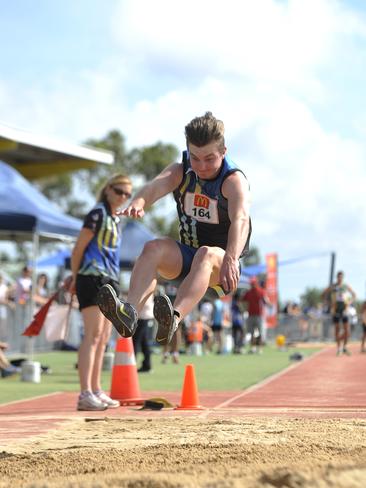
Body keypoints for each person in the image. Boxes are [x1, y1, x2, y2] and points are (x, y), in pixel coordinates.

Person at [96, 112, 251, 348]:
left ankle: (174, 318)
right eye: (195, 157)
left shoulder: (233, 181)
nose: (201, 166)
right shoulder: (181, 171)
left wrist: (231, 257)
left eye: (209, 159)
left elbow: (240, 218)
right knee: (153, 248)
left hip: (221, 269)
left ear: (223, 152)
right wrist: (139, 203)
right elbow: (155, 187)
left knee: (206, 254)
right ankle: (129, 312)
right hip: (187, 261)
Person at [70, 173, 132, 411]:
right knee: (93, 335)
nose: (123, 197)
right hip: (92, 276)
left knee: (105, 337)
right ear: (108, 189)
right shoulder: (97, 214)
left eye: (127, 194)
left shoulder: (116, 219)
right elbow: (78, 249)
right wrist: (75, 278)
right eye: (119, 192)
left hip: (111, 278)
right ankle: (85, 392)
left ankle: (96, 389)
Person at [322, 271, 356, 356]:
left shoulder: (345, 286)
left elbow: (354, 295)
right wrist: (329, 304)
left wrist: (349, 302)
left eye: (341, 277)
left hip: (345, 310)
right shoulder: (333, 286)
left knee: (347, 331)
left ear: (343, 277)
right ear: (337, 277)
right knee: (337, 330)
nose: (340, 278)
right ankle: (339, 348)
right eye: (338, 277)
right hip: (336, 310)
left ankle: (344, 347)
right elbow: (323, 295)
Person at [242, 276, 270, 354]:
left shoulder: (260, 291)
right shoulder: (248, 292)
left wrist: (268, 304)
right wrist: (244, 309)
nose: (252, 284)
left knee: (260, 333)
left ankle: (259, 348)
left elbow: (265, 300)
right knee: (252, 333)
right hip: (251, 315)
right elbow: (242, 301)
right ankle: (253, 348)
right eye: (251, 283)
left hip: (259, 315)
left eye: (253, 283)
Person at [133, 293, 154, 373]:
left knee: (136, 341)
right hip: (144, 315)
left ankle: (132, 364)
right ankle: (147, 365)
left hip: (142, 316)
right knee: (144, 342)